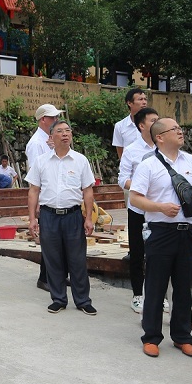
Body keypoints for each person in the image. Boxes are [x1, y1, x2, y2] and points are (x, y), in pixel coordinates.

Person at [130, 118, 192, 359]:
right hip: (160, 231)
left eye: (179, 128)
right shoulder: (148, 165)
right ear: (160, 137)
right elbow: (135, 198)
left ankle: (182, 337)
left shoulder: (191, 161)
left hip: (187, 232)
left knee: (183, 287)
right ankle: (151, 337)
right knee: (156, 287)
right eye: (174, 129)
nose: (180, 131)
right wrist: (160, 207)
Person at [26, 121, 97, 315]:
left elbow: (87, 190)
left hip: (73, 216)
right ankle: (58, 299)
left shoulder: (80, 160)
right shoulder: (41, 161)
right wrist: (32, 219)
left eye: (68, 131)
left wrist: (88, 218)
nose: (65, 134)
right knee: (53, 259)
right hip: (48, 216)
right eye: (60, 131)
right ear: (51, 137)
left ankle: (83, 300)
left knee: (77, 260)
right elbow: (33, 190)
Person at [118, 107, 160, 313]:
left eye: (158, 120)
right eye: (153, 120)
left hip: (159, 210)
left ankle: (159, 296)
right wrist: (141, 187)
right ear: (141, 125)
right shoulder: (132, 150)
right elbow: (122, 179)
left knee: (159, 254)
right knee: (137, 252)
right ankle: (137, 295)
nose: (157, 123)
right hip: (137, 209)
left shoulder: (164, 148)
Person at [26, 103, 63, 292]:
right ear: (43, 120)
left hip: (58, 195)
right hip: (46, 198)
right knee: (49, 241)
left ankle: (58, 276)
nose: (56, 120)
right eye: (53, 117)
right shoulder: (36, 144)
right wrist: (38, 203)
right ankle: (45, 277)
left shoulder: (50, 140)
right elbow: (36, 177)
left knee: (60, 240)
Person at [112, 88, 148, 159]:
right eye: (140, 99)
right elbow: (120, 151)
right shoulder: (120, 126)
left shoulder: (153, 124)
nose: (144, 102)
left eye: (145, 99)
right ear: (129, 103)